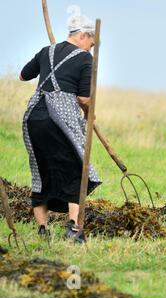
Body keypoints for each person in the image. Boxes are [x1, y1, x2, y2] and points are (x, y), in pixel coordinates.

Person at [20, 15, 101, 243]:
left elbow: (23, 75)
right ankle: (74, 228)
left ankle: (43, 230)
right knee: (76, 167)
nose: (91, 49)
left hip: (33, 117)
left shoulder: (47, 51)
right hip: (59, 119)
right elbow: (84, 99)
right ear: (84, 35)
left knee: (41, 170)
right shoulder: (86, 60)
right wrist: (90, 114)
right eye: (92, 44)